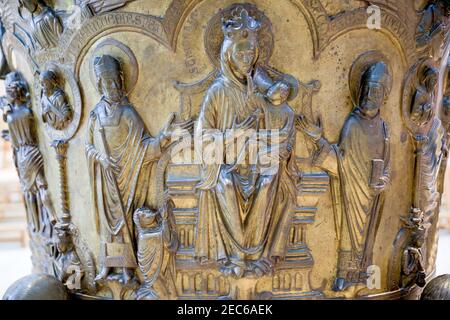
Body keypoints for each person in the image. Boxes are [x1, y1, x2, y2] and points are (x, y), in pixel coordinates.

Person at [297, 61, 391, 293]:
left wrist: (384, 180)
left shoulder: (384, 128)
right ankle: (343, 274)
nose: (370, 95)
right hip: (351, 191)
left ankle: (362, 275)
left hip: (372, 194)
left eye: (377, 91)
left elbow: (388, 162)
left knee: (367, 237)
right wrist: (317, 139)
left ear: (385, 96)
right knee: (349, 233)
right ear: (360, 90)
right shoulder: (352, 124)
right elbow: (341, 160)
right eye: (367, 89)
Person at [85, 55, 170, 284]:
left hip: (126, 176)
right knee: (107, 224)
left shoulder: (129, 113)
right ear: (100, 85)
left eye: (115, 81)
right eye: (106, 82)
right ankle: (106, 265)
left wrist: (163, 140)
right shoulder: (96, 114)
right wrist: (99, 157)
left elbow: (144, 147)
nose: (111, 86)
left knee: (124, 225)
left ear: (121, 80)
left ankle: (126, 270)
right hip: (105, 177)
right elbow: (88, 146)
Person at [1, 71, 56, 235]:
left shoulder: (10, 116)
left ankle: (37, 223)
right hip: (34, 150)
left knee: (29, 190)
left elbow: (16, 140)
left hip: (22, 153)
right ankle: (51, 216)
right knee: (41, 184)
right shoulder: (28, 112)